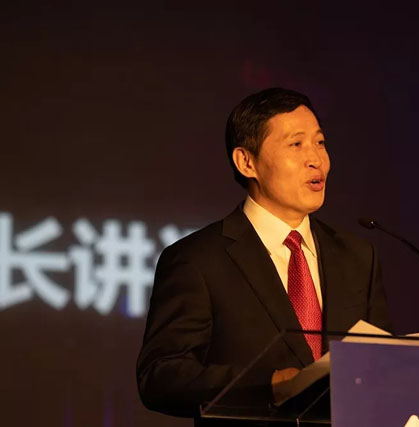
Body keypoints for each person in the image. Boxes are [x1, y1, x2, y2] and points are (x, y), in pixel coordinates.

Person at [136, 88, 392, 423]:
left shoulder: (357, 257)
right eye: (296, 144)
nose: (316, 159)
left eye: (320, 142)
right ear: (247, 162)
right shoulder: (197, 260)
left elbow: (381, 368)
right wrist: (268, 385)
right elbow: (161, 376)